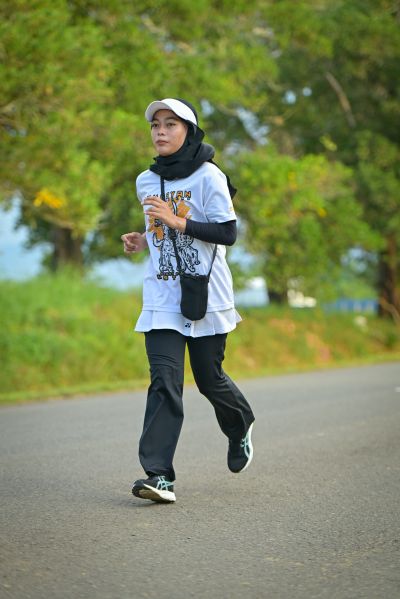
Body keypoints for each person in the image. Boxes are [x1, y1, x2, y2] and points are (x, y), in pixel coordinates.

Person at [121, 98, 255, 504]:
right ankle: (159, 476)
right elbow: (159, 230)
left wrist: (177, 220)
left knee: (209, 378)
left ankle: (239, 423)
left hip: (206, 294)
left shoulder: (209, 176)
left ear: (189, 131)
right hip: (162, 294)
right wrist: (143, 239)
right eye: (155, 125)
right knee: (164, 380)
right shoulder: (146, 180)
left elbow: (227, 233)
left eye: (170, 124)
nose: (160, 131)